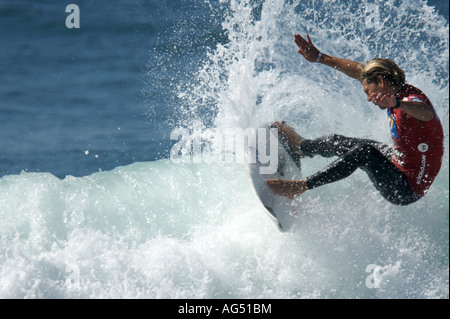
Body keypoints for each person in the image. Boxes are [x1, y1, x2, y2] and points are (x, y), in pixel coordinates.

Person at [267, 34, 444, 205]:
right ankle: (301, 147)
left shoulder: (409, 100)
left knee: (364, 152)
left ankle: (300, 187)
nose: (368, 98)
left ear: (381, 82)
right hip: (398, 159)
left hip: (406, 189)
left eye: (368, 91)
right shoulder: (392, 88)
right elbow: (361, 71)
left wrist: (397, 103)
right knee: (338, 141)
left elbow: (426, 113)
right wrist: (320, 57)